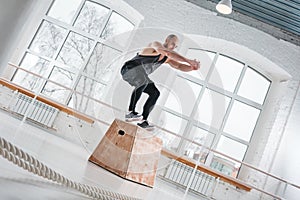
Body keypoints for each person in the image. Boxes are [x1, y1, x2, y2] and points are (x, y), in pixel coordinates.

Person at [120, 34, 200, 129]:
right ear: (166, 40)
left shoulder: (167, 58)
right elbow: (168, 52)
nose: (174, 47)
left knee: (155, 93)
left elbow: (179, 66)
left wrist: (192, 68)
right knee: (143, 82)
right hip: (129, 68)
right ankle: (130, 112)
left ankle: (143, 121)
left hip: (140, 75)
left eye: (176, 46)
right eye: (173, 44)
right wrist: (189, 61)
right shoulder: (155, 45)